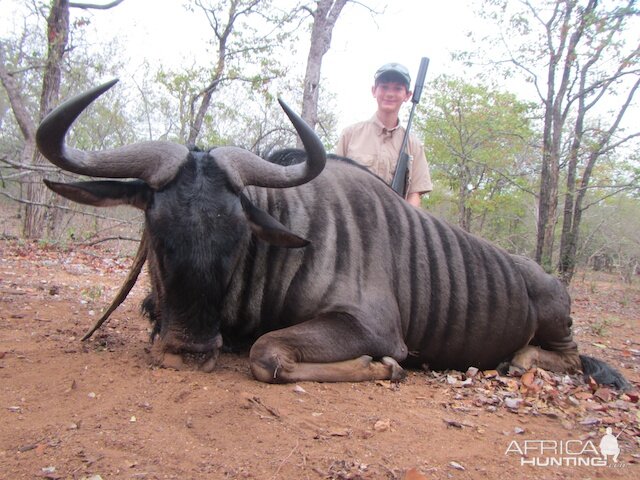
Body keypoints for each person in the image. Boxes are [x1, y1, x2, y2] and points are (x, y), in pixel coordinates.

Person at [335, 62, 432, 208]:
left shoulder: (414, 145)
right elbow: (335, 183)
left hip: (394, 226)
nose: (390, 94)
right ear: (374, 91)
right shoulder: (350, 135)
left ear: (408, 95)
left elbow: (414, 195)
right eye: (384, 87)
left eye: (398, 88)